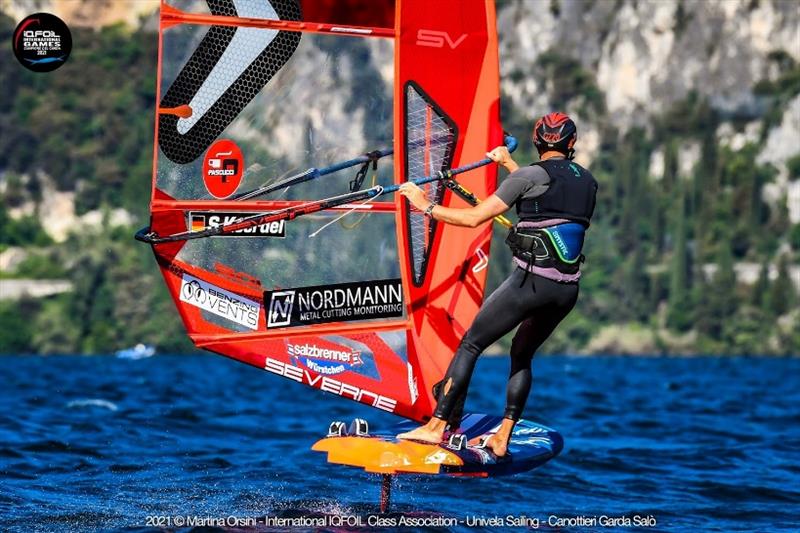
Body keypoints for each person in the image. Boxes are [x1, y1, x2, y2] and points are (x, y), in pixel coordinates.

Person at [396, 112, 598, 457]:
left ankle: (436, 426)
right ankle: (503, 436)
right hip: (566, 290)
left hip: (530, 283)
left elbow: (474, 217)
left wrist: (424, 205)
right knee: (521, 354)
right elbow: (548, 189)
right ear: (572, 143)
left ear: (537, 141)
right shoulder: (588, 181)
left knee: (471, 344)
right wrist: (508, 163)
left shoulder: (530, 175)